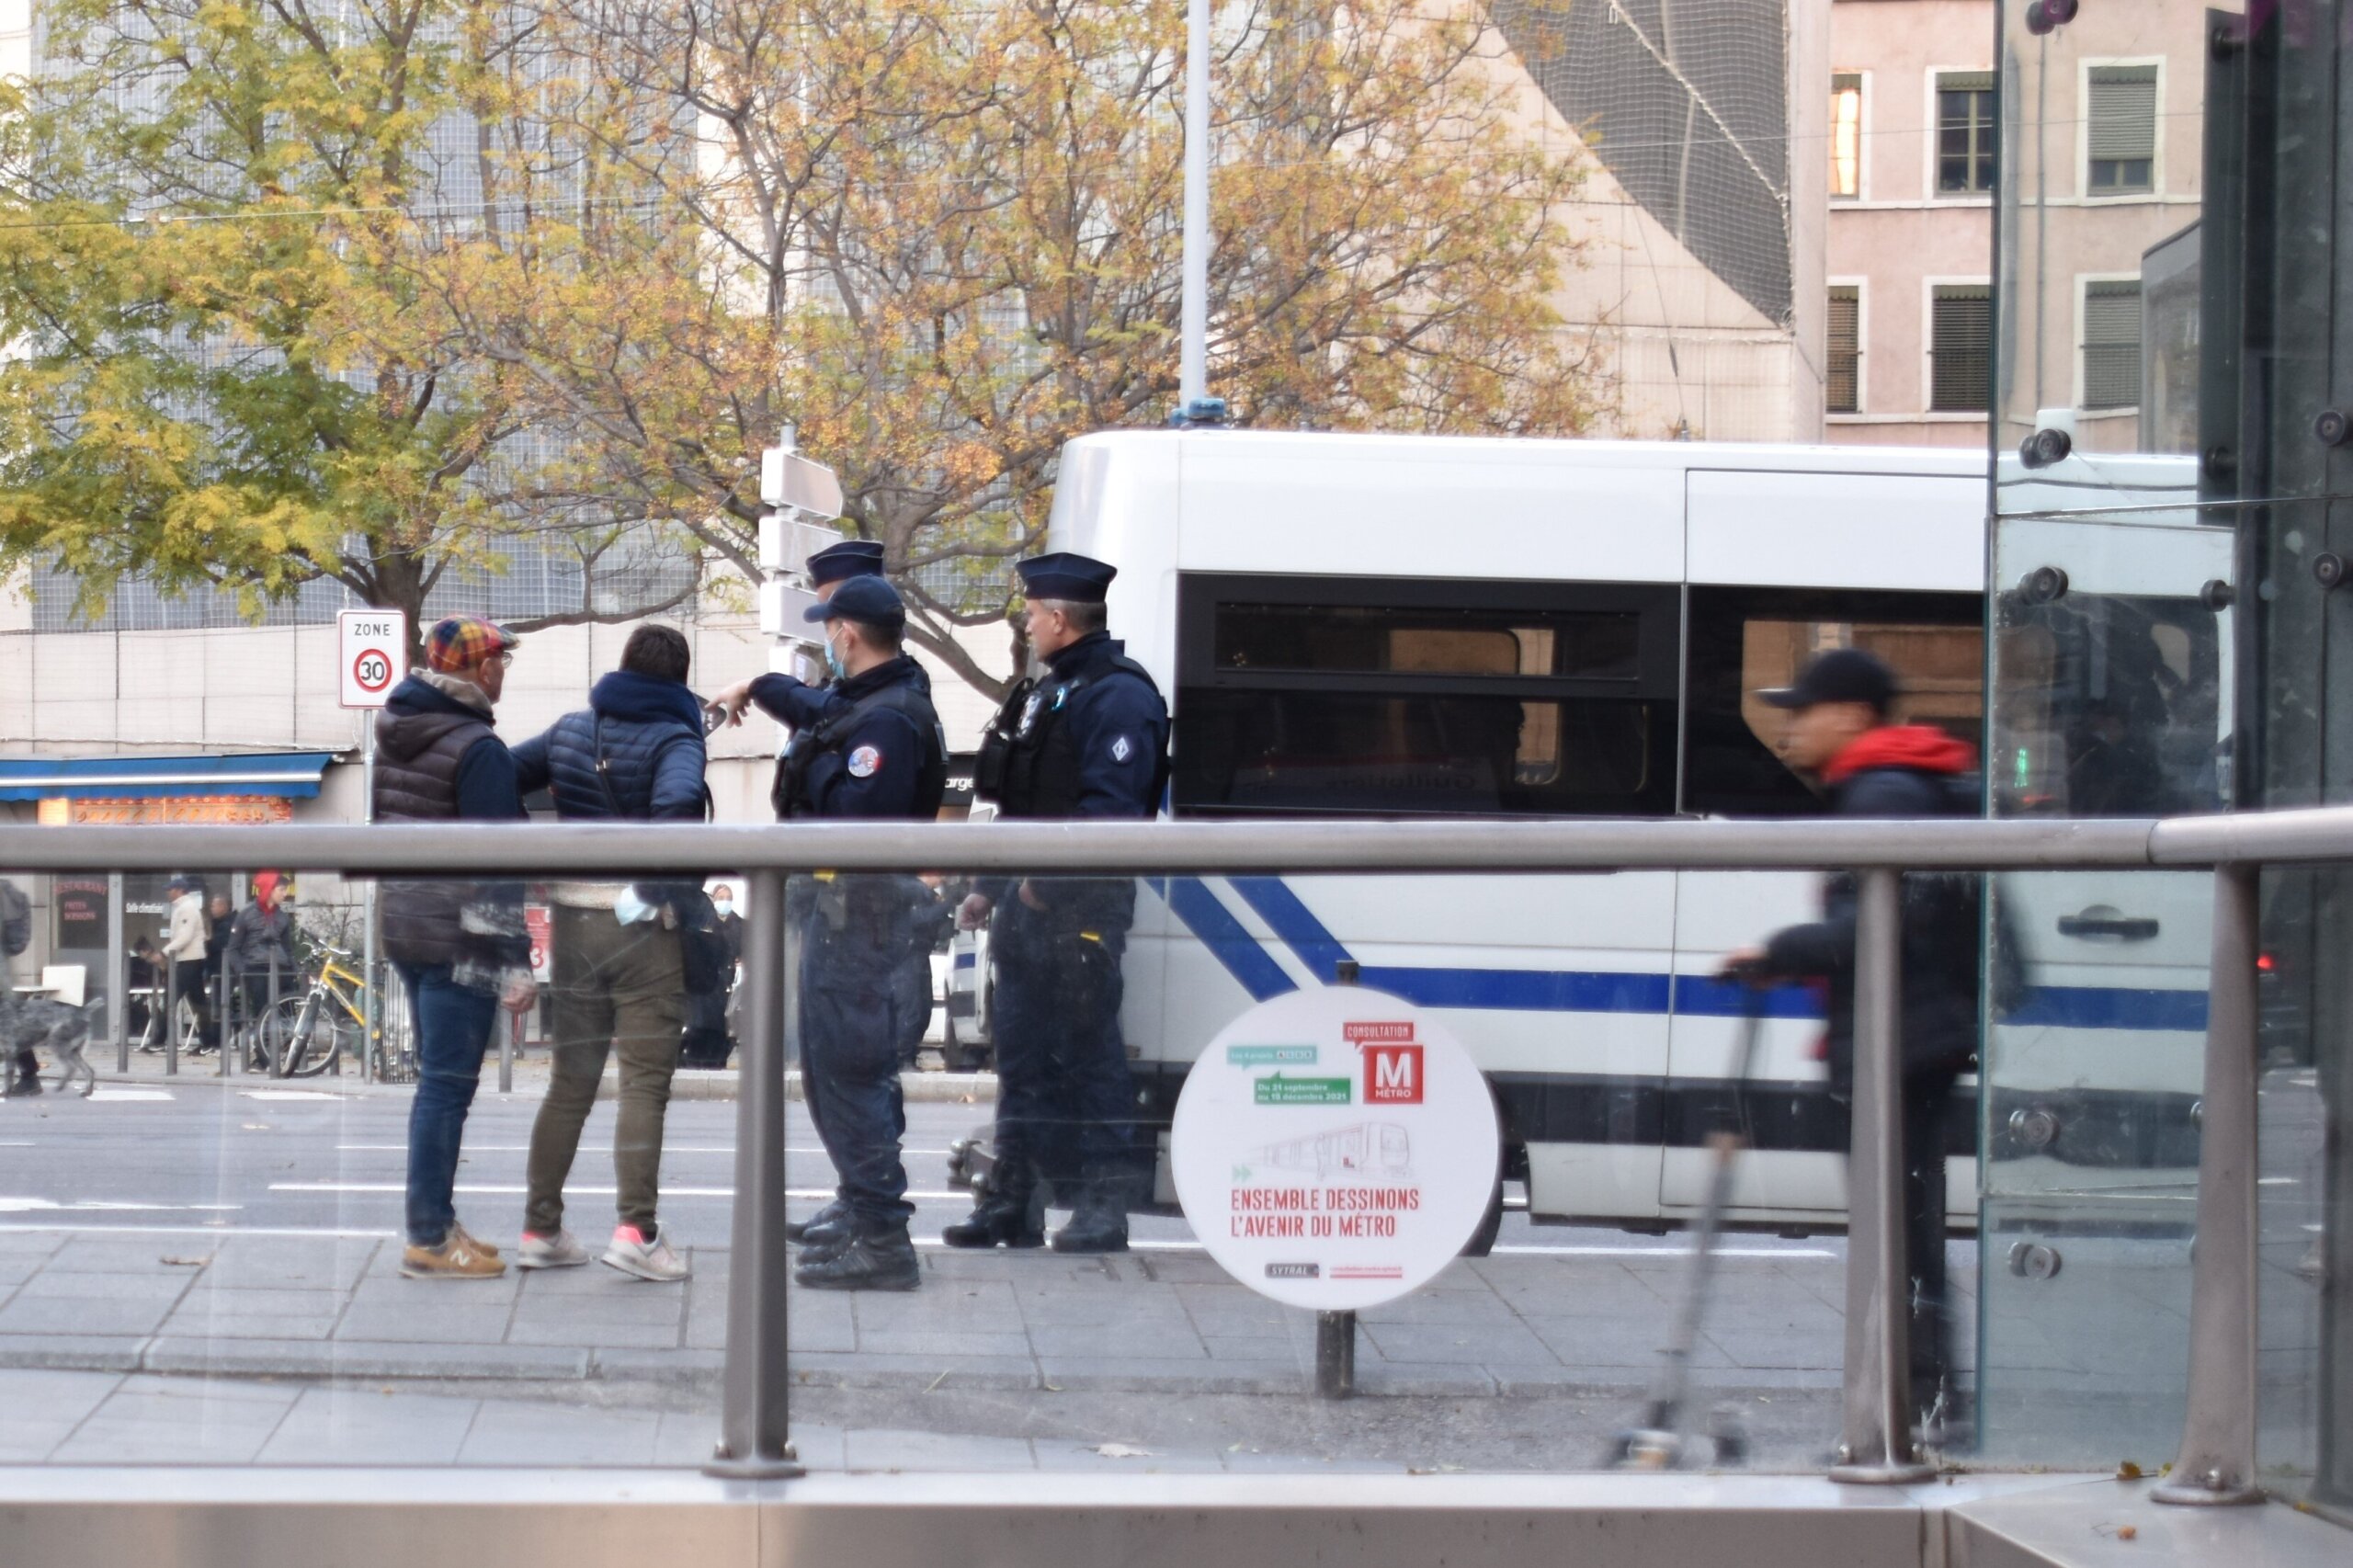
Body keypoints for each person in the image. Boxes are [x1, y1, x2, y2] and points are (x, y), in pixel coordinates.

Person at [1718, 647, 1984, 1434]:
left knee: (1898, 1230)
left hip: (1899, 1042)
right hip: (1911, 1034)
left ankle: (1924, 1402)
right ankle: (1920, 1397)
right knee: (1902, 1226)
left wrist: (1780, 952)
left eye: (1805, 710)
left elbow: (1881, 920)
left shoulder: (1884, 790)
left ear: (1854, 715)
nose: (1790, 726)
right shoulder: (1890, 784)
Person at [714, 574, 947, 1290]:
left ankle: (882, 1235)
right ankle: (861, 1204)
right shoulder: (872, 701)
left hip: (857, 916)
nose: (825, 642)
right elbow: (817, 708)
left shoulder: (885, 722)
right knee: (835, 1069)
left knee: (848, 1071)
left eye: (829, 630)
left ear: (846, 634)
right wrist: (756, 687)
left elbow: (854, 825)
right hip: (842, 914)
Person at [949, 552, 1169, 1255]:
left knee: (1091, 1062)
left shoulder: (1118, 696)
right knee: (1022, 1066)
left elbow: (1111, 818)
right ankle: (1014, 1201)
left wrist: (1045, 886)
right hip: (1026, 915)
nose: (1026, 623)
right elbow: (1019, 805)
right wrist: (986, 885)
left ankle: (1105, 1206)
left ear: (1060, 619)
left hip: (1079, 917)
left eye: (1032, 613)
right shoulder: (1047, 692)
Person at [509, 624, 709, 1282]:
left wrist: (540, 856)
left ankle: (540, 1228)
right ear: (679, 679)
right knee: (644, 1084)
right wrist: (648, 889)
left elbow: (504, 773)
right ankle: (636, 1231)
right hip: (643, 927)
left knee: (570, 1082)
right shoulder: (678, 736)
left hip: (572, 922)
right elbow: (679, 801)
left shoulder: (572, 730)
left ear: (623, 668)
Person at [375, 615, 537, 1280]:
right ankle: (430, 1236)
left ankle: (437, 1220)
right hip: (458, 936)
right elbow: (498, 863)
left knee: (435, 1083)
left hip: (406, 924)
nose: (503, 671)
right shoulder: (478, 747)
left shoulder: (396, 732)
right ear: (473, 670)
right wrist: (517, 960)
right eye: (498, 661)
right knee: (446, 1087)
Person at [222, 872, 300, 1065]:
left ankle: (292, 1056)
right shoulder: (246, 915)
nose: (284, 894)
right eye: (281, 890)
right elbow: (232, 949)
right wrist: (243, 972)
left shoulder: (282, 917)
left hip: (282, 970)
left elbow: (288, 949)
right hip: (256, 970)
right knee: (261, 1014)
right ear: (269, 890)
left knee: (288, 1014)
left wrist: (295, 970)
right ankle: (264, 1057)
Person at [159, 875, 212, 1055]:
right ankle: (208, 1042)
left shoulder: (187, 908)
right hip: (189, 959)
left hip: (189, 960)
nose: (168, 892)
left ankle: (158, 1040)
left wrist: (165, 952)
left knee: (170, 999)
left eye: (171, 889)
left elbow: (185, 936)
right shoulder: (183, 907)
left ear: (180, 890)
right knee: (198, 1003)